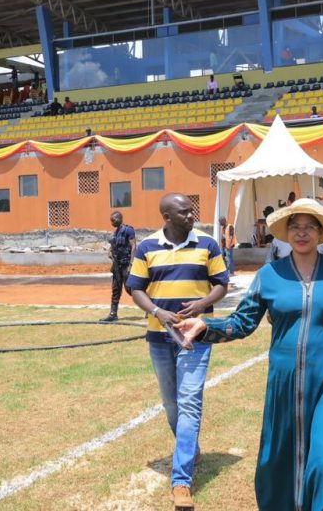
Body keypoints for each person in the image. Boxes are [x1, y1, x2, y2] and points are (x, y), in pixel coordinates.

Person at [174, 198, 323, 511]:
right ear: (286, 233)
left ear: (320, 233)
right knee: (277, 462)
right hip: (285, 382)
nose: (301, 233)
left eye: (309, 227)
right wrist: (204, 326)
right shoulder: (270, 275)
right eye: (295, 227)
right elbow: (242, 322)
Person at [126, 193, 229, 510]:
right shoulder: (147, 248)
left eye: (191, 210)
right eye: (184, 212)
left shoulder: (208, 244)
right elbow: (136, 288)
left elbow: (221, 283)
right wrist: (158, 312)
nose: (191, 215)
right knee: (171, 403)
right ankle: (191, 448)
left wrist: (202, 304)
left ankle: (181, 480)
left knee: (189, 400)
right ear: (166, 216)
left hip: (196, 337)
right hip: (159, 337)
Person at [101, 211, 136, 323]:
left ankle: (149, 307)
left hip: (126, 265)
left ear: (120, 218)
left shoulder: (128, 230)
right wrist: (110, 252)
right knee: (116, 290)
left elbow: (134, 246)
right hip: (116, 266)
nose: (112, 222)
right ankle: (113, 314)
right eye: (111, 220)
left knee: (130, 289)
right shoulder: (115, 233)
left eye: (114, 219)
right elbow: (113, 246)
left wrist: (131, 264)